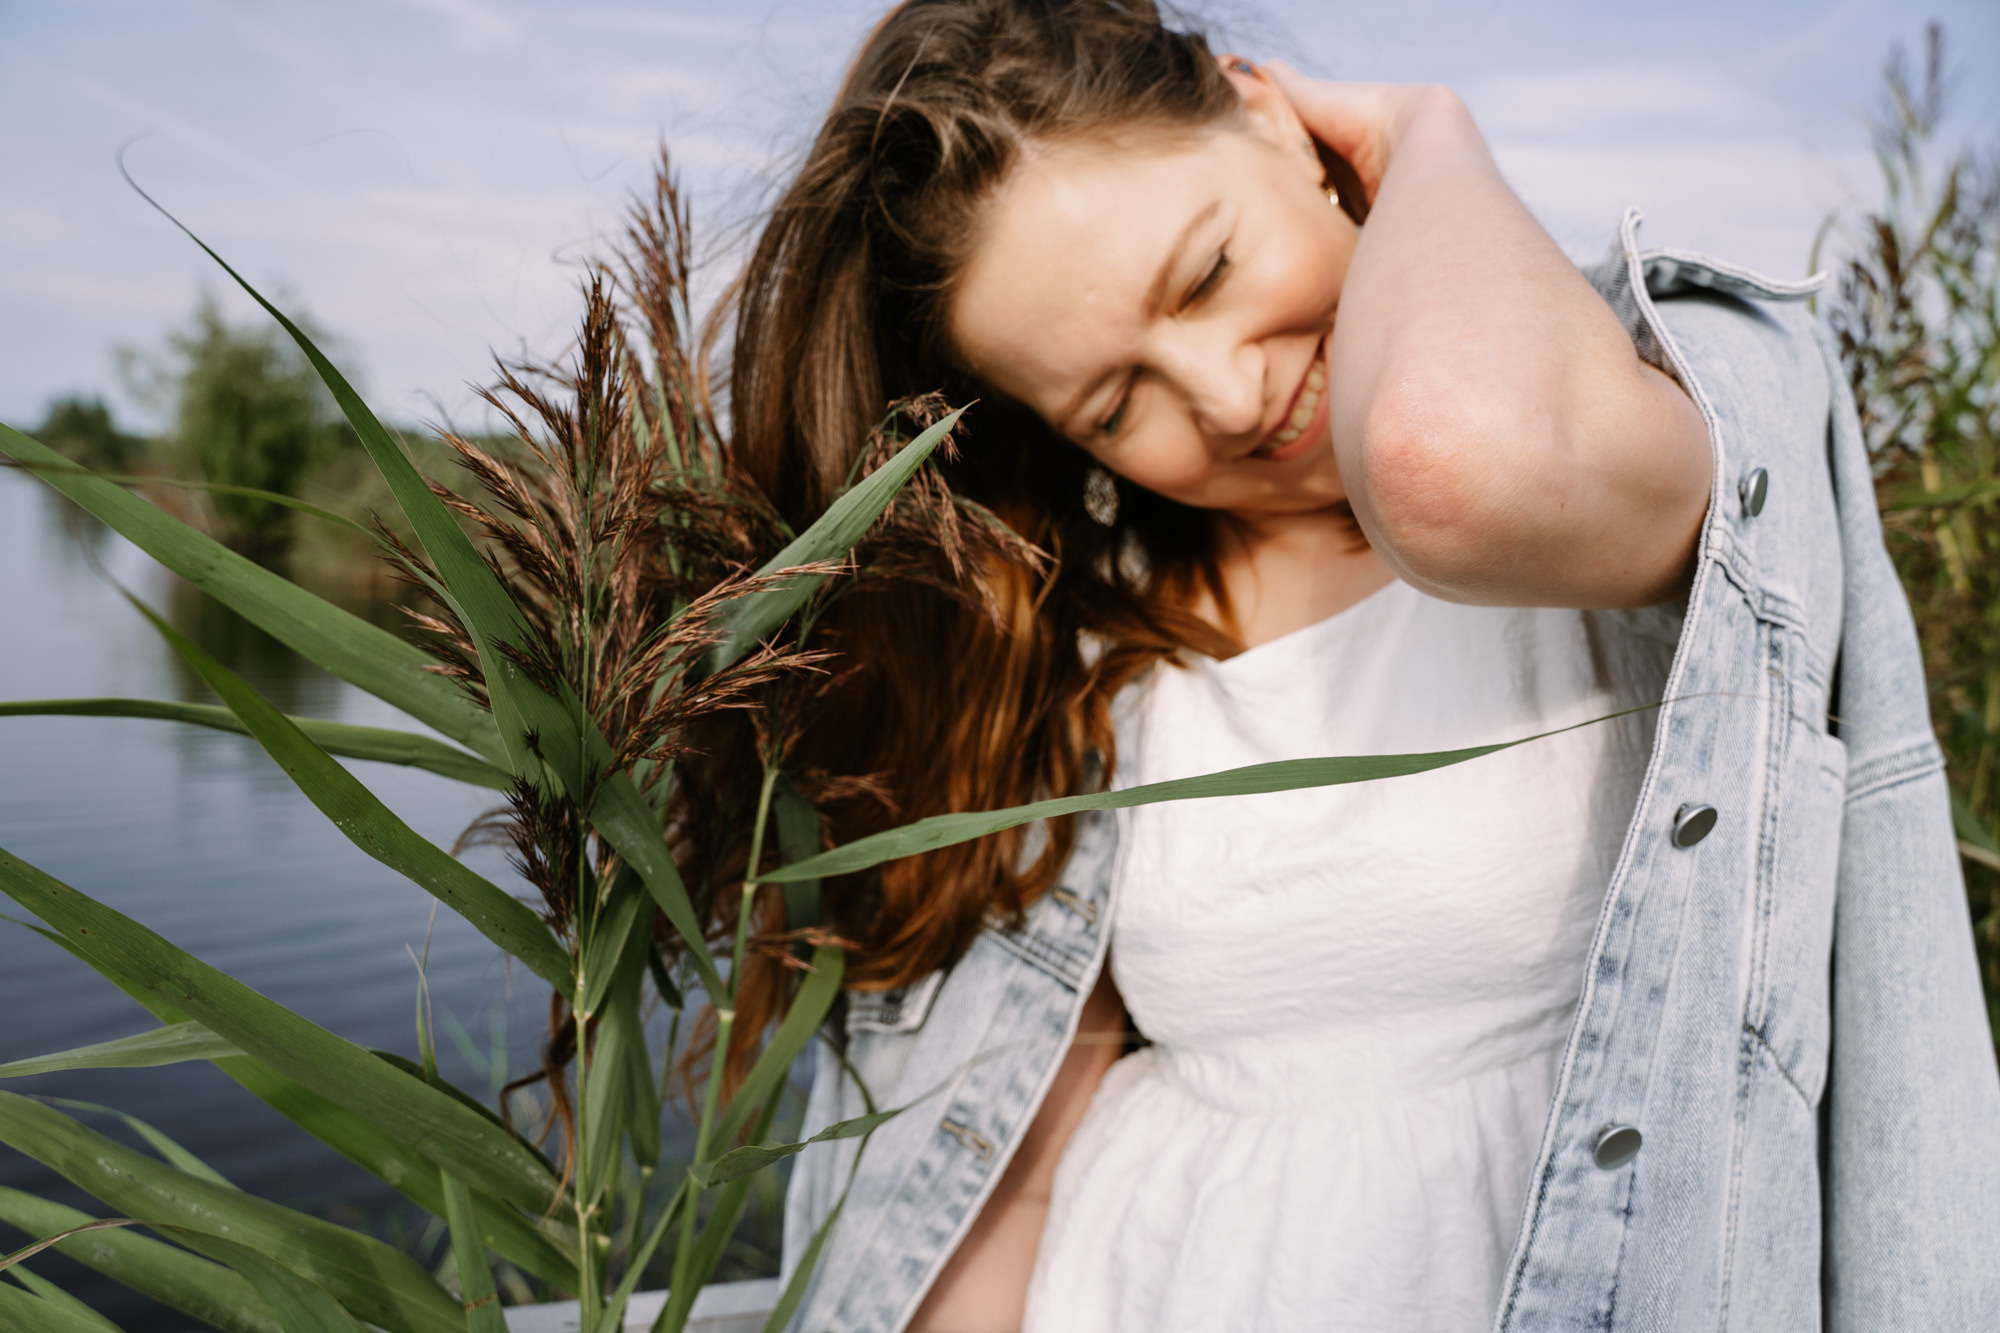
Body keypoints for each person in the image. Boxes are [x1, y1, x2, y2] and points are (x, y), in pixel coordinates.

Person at [702, 1, 2000, 1329]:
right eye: (1115, 402)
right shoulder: (1102, 642)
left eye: (1205, 272)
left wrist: (1426, 133)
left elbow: (1451, 462)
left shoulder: (1649, 396)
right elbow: (1014, 1171)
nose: (1222, 394)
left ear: (1270, 110)